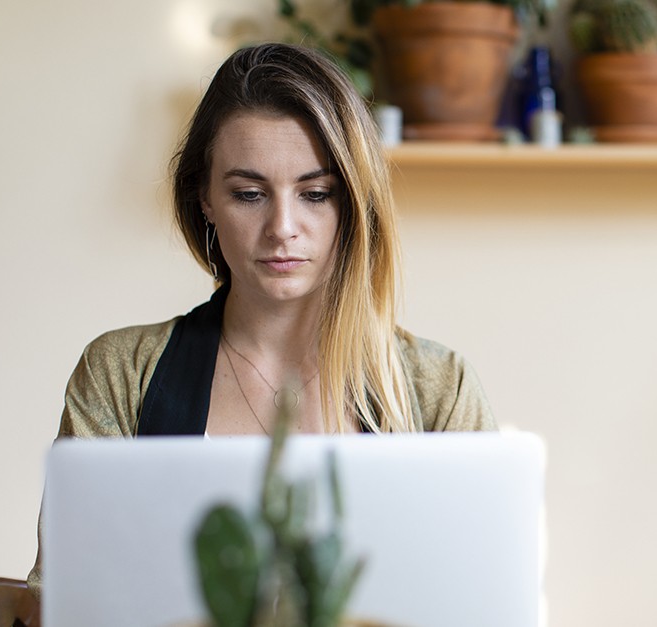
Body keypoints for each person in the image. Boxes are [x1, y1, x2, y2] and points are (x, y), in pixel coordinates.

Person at [28, 42, 496, 592]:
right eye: (249, 194)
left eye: (316, 194)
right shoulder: (121, 374)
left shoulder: (439, 388)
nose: (282, 227)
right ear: (204, 198)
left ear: (357, 202)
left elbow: (485, 592)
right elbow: (59, 596)